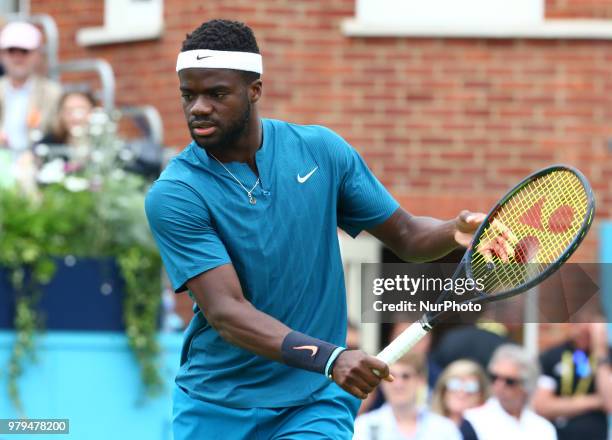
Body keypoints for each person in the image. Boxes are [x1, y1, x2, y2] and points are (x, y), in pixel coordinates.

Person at [145, 19, 510, 439]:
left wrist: (453, 232)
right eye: (188, 95)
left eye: (217, 93)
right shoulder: (175, 194)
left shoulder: (321, 152)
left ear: (254, 90)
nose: (198, 108)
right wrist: (332, 357)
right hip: (217, 405)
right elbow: (227, 313)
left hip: (313, 403)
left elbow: (407, 236)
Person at [353, 353, 461, 440]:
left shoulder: (445, 429)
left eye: (406, 376)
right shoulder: (363, 427)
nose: (398, 384)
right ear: (381, 382)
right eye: (391, 377)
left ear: (421, 381)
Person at [532, 317, 608, 440]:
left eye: (589, 322)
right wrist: (596, 401)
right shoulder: (553, 355)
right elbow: (542, 406)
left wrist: (600, 350)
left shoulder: (605, 357)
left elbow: (609, 401)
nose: (582, 327)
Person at [463, 344, 557, 440]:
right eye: (494, 377)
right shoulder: (472, 420)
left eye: (509, 381)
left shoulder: (543, 428)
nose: (499, 385)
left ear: (527, 385)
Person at [0, 21, 62, 156]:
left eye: (24, 51)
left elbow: (58, 135)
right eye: (11, 51)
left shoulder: (52, 93)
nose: (18, 57)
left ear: (38, 55)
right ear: (2, 54)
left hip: (37, 168)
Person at [430, 359, 490, 428]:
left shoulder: (487, 428)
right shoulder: (423, 424)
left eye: (471, 386)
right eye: (455, 384)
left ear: (481, 394)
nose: (462, 392)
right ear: (443, 390)